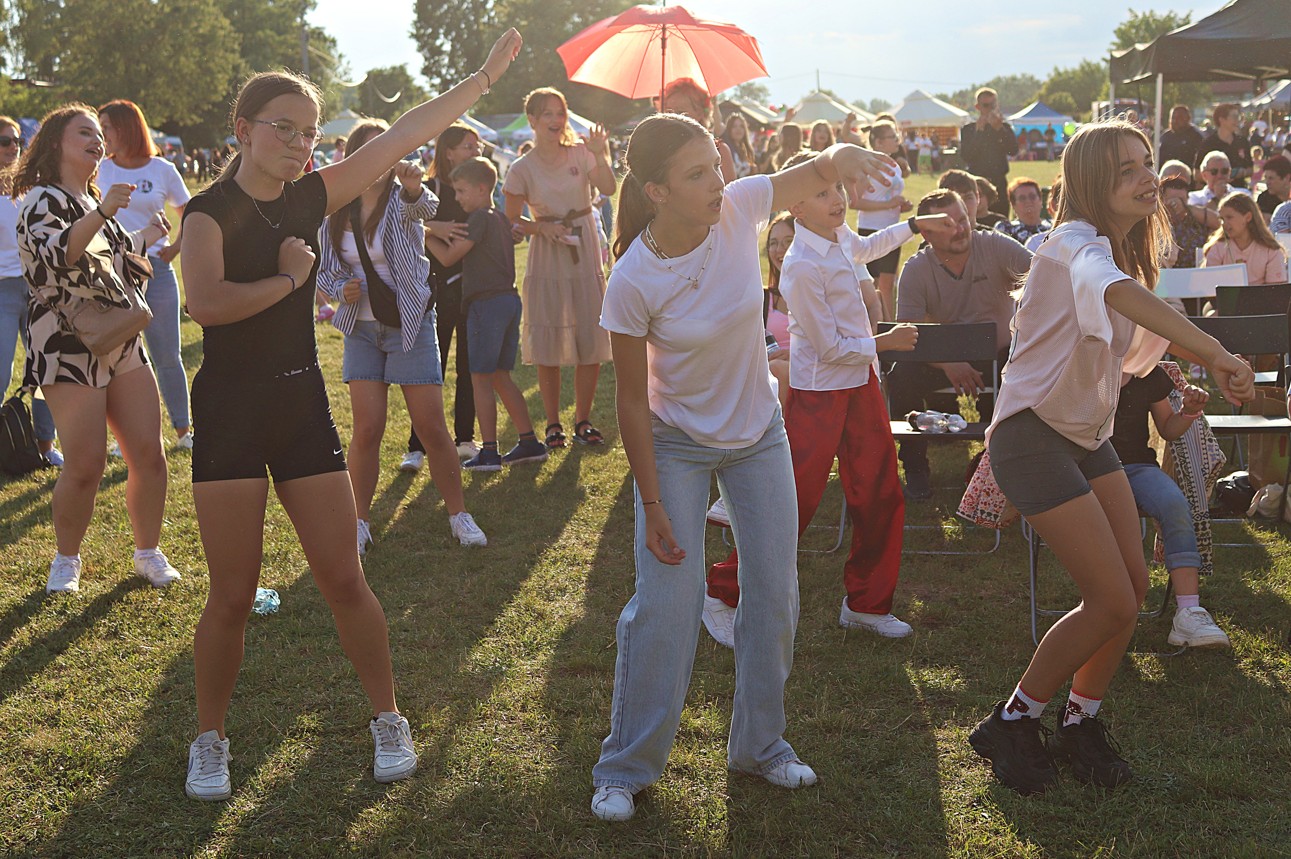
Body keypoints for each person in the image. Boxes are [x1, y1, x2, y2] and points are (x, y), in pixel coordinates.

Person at [178, 29, 522, 802]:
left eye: (309, 131)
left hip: (300, 406)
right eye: (283, 129)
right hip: (230, 412)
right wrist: (289, 279)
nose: (301, 144)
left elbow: (405, 133)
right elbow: (206, 305)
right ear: (243, 130)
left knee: (343, 575)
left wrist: (479, 78)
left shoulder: (310, 195)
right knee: (232, 593)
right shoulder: (207, 212)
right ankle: (210, 737)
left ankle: (388, 717)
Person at [589, 113, 897, 823]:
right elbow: (631, 403)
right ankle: (624, 767)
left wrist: (840, 153)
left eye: (715, 166)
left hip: (758, 433)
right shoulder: (632, 278)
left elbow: (810, 175)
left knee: (775, 590)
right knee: (665, 604)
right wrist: (655, 505)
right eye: (696, 174)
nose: (715, 183)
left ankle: (760, 745)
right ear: (656, 189)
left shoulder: (739, 208)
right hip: (673, 444)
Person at [967, 120, 1253, 796]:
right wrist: (1211, 349)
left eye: (1146, 162)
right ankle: (1011, 719)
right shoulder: (1072, 245)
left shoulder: (1115, 253)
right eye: (1126, 169)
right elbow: (1117, 297)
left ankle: (1080, 721)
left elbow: (1124, 349)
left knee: (1129, 591)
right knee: (1107, 597)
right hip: (1031, 437)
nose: (1145, 176)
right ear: (1092, 182)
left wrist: (1177, 382)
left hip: (1085, 437)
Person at [702, 150, 953, 648]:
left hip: (859, 388)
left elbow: (864, 246)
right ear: (796, 208)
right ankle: (721, 590)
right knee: (791, 506)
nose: (837, 199)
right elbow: (827, 349)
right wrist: (886, 342)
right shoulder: (797, 268)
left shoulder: (837, 236)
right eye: (822, 192)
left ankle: (866, 605)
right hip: (819, 396)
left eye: (836, 189)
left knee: (881, 494)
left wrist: (914, 225)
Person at [14, 104, 179, 594]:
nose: (97, 140)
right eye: (85, 132)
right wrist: (106, 210)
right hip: (66, 344)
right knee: (85, 465)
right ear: (55, 143)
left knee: (149, 453)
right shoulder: (40, 199)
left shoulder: (91, 199)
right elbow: (60, 256)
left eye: (99, 134)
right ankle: (66, 560)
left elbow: (112, 264)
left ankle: (147, 553)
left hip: (120, 338)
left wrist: (143, 239)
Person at [316, 119, 488, 557]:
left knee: (431, 426)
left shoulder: (402, 196)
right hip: (361, 328)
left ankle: (458, 514)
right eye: (370, 151)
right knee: (367, 429)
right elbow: (327, 267)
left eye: (386, 150)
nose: (379, 159)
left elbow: (425, 210)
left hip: (409, 325)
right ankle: (358, 521)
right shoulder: (336, 205)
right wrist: (340, 290)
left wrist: (413, 189)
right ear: (354, 156)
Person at [891, 189, 1032, 500]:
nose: (959, 228)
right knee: (902, 372)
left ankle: (1008, 464)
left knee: (1026, 365)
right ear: (926, 233)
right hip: (944, 359)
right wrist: (946, 362)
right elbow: (905, 335)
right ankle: (914, 465)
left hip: (1000, 357)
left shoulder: (994, 245)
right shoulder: (916, 269)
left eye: (963, 219)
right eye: (947, 224)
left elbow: (1043, 277)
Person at [503, 87, 615, 450]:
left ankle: (583, 419)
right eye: (546, 114)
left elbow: (609, 187)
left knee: (590, 333)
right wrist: (541, 227)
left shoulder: (581, 154)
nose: (555, 120)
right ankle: (552, 424)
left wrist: (600, 154)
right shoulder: (521, 168)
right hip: (546, 253)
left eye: (560, 112)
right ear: (532, 120)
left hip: (582, 246)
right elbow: (511, 219)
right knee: (548, 337)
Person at [425, 156, 547, 472]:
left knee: (479, 378)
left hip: (486, 306)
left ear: (482, 189)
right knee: (500, 376)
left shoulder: (479, 217)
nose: (458, 197)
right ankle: (529, 442)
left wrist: (422, 235)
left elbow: (451, 257)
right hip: (508, 301)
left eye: (462, 190)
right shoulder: (500, 219)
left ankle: (490, 452)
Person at [98, 99, 194, 450]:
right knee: (117, 360)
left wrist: (175, 247)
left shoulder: (162, 169)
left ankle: (184, 432)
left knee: (167, 354)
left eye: (106, 126)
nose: (102, 133)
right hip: (112, 275)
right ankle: (122, 439)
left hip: (157, 271)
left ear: (125, 128)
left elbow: (190, 212)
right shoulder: (101, 170)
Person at [1111, 366, 1230, 649]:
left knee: (1175, 503)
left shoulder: (1146, 370)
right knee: (1106, 517)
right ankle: (1106, 608)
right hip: (1088, 468)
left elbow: (1168, 428)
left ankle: (1188, 612)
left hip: (1137, 466)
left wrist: (1188, 411)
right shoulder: (1082, 361)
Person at [402, 123, 484, 473]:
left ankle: (465, 438)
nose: (476, 151)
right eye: (468, 146)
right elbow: (404, 223)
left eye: (477, 146)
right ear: (448, 152)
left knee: (468, 365)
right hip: (433, 289)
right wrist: (435, 228)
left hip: (471, 289)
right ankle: (416, 446)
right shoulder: (431, 188)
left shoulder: (479, 189)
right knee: (429, 371)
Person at [0, 114, 58, 464]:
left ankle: (45, 446)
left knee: (44, 370)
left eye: (16, 141)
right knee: (0, 371)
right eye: (4, 141)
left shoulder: (31, 188)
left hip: (37, 289)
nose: (12, 147)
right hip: (3, 292)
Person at [853, 119, 911, 320]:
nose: (898, 140)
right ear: (877, 142)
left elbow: (888, 197)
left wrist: (901, 205)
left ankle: (890, 325)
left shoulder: (893, 163)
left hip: (892, 228)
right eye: (893, 136)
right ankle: (879, 327)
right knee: (873, 285)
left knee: (888, 284)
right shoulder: (866, 165)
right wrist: (889, 204)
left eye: (897, 135)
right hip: (870, 229)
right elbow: (854, 202)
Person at [1203, 191, 1289, 284]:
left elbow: (1276, 291)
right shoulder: (1217, 248)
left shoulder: (1270, 250)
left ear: (1248, 217)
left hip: (1261, 298)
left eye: (1229, 217)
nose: (1224, 224)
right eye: (1222, 219)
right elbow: (1210, 287)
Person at [660, 79, 737, 183]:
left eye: (680, 112)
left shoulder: (719, 151)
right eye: (668, 111)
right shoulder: (661, 151)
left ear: (700, 113)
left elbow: (729, 196)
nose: (673, 117)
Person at [960, 88, 1018, 217]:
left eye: (993, 105)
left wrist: (1000, 129)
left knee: (1001, 221)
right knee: (977, 221)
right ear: (978, 107)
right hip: (977, 183)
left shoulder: (1004, 127)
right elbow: (966, 156)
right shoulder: (969, 130)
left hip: (999, 182)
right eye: (986, 105)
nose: (990, 109)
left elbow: (1013, 150)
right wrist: (979, 132)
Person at [1196, 104, 1253, 188]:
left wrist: (1242, 172)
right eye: (1234, 117)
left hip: (1238, 191)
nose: (1238, 121)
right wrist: (1218, 175)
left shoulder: (1242, 142)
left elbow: (1250, 170)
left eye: (1239, 117)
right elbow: (1197, 174)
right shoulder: (1208, 143)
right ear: (1222, 120)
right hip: (1215, 194)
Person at [995, 177, 1051, 246]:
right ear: (1013, 204)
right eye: (1022, 198)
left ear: (1040, 200)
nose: (1028, 201)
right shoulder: (1005, 229)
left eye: (1032, 196)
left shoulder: (1053, 227)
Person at [719, 112, 756, 179]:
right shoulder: (727, 147)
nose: (738, 129)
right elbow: (718, 124)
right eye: (734, 126)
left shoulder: (747, 150)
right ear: (729, 129)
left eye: (741, 126)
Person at [1255, 155, 1290, 223]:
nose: (1267, 183)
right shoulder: (1264, 199)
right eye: (1266, 178)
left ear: (1286, 178)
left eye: (1271, 178)